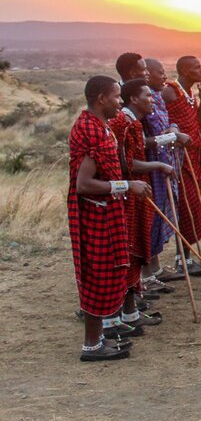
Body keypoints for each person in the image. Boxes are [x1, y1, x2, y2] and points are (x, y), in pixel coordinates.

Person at [69, 76, 149, 361]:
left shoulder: (99, 126)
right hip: (95, 214)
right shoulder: (91, 130)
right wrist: (127, 185)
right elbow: (84, 184)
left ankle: (100, 338)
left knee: (106, 272)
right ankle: (92, 346)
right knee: (96, 276)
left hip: (105, 210)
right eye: (116, 96)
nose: (120, 101)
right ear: (101, 99)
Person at [107, 79, 172, 332]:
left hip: (135, 193)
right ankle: (117, 317)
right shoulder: (124, 123)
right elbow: (127, 164)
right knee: (129, 253)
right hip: (126, 196)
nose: (152, 99)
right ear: (133, 98)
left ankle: (131, 312)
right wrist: (158, 165)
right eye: (147, 95)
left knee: (134, 253)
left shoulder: (131, 122)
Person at [141, 58, 191, 288]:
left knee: (160, 218)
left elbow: (168, 123)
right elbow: (142, 141)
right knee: (150, 219)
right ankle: (147, 275)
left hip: (164, 163)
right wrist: (172, 136)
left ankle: (156, 269)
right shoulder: (135, 101)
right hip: (149, 167)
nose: (164, 76)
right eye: (160, 72)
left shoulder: (156, 97)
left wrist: (173, 129)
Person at [161, 56, 201, 276]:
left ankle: (186, 258)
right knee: (186, 208)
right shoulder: (171, 91)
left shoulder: (189, 93)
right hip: (179, 160)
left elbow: (197, 122)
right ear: (185, 70)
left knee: (194, 207)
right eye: (197, 67)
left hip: (194, 155)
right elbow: (161, 121)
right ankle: (182, 260)